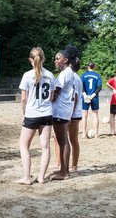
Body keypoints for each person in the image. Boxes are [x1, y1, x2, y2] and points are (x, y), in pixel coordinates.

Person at [14, 47, 55, 185]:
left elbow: (23, 99)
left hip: (32, 113)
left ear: (30, 60)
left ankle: (26, 177)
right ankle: (41, 177)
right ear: (43, 58)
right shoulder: (50, 75)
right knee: (45, 147)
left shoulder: (27, 75)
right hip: (47, 113)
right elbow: (51, 96)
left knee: (24, 145)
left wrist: (24, 113)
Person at [51, 45, 79, 180]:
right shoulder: (71, 72)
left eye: (58, 58)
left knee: (62, 141)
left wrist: (48, 100)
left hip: (60, 110)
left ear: (66, 59)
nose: (55, 61)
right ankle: (64, 169)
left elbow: (55, 91)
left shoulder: (64, 73)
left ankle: (64, 172)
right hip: (65, 109)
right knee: (63, 141)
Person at [81, 62, 102, 139]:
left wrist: (85, 95)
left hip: (85, 97)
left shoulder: (84, 75)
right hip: (94, 97)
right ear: (94, 67)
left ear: (88, 67)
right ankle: (96, 134)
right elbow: (99, 87)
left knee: (84, 116)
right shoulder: (97, 75)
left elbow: (81, 85)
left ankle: (83, 134)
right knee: (95, 115)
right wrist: (92, 95)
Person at [68, 58, 82, 173]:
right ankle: (61, 162)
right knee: (71, 139)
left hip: (72, 114)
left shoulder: (73, 77)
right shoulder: (75, 76)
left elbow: (75, 98)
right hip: (72, 113)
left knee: (72, 139)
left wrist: (69, 115)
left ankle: (74, 165)